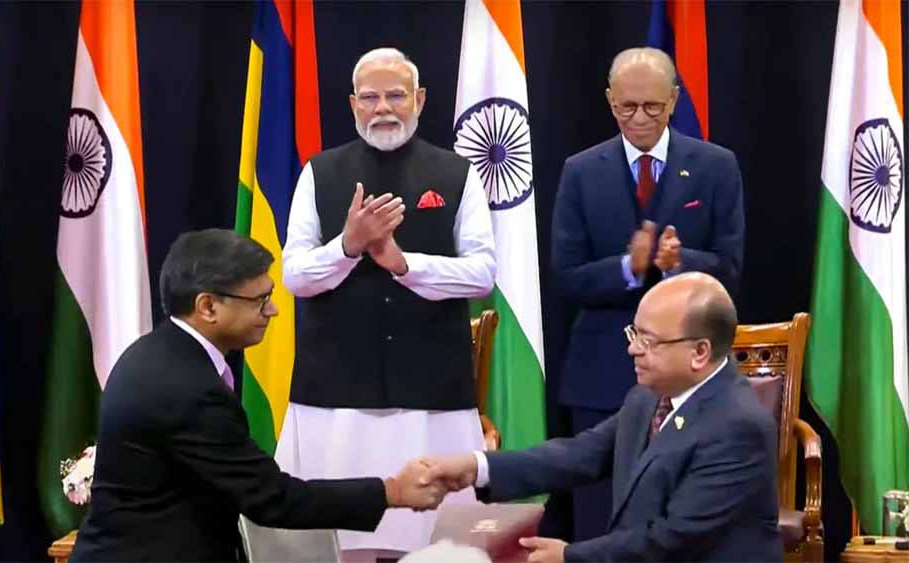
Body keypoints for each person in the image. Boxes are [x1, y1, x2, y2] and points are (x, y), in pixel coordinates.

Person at [69, 229, 445, 562]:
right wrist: (393, 491)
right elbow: (272, 499)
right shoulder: (186, 388)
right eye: (260, 300)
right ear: (208, 306)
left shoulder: (159, 353)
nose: (274, 310)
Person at [278, 47, 496, 561]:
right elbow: (294, 276)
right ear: (353, 104)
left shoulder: (458, 173)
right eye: (370, 97)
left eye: (395, 95)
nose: (383, 108)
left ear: (419, 99)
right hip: (334, 393)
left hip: (431, 391)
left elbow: (483, 274)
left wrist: (403, 264)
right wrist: (348, 246)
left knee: (436, 545)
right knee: (335, 540)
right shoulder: (319, 171)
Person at [422, 273, 781, 562]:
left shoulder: (738, 426)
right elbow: (578, 455)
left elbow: (675, 538)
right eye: (634, 333)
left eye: (648, 341)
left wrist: (570, 556)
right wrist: (476, 467)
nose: (632, 349)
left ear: (700, 352)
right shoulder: (647, 397)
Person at [549, 46, 745, 540]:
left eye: (653, 107)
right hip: (600, 377)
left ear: (674, 100)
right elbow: (566, 276)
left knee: (682, 522)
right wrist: (627, 269)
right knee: (599, 523)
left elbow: (730, 269)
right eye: (627, 107)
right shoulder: (580, 170)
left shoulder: (715, 166)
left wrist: (681, 262)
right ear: (610, 100)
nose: (639, 118)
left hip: (688, 377)